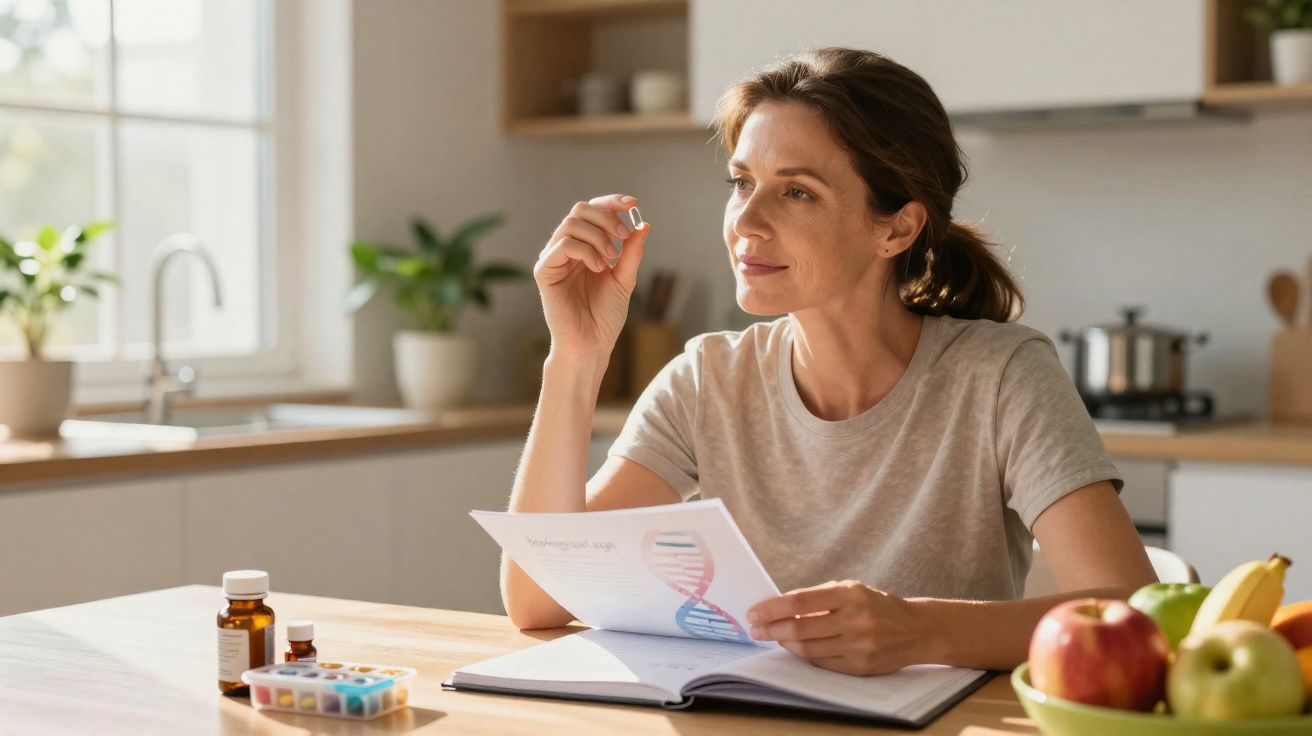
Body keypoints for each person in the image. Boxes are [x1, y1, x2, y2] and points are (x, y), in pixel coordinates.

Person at [501, 47, 1156, 675]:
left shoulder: (1001, 376)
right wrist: (576, 355)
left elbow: (1134, 611)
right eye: (742, 183)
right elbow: (538, 600)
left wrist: (920, 631)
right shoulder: (707, 380)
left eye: (797, 193)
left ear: (896, 228)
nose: (746, 223)